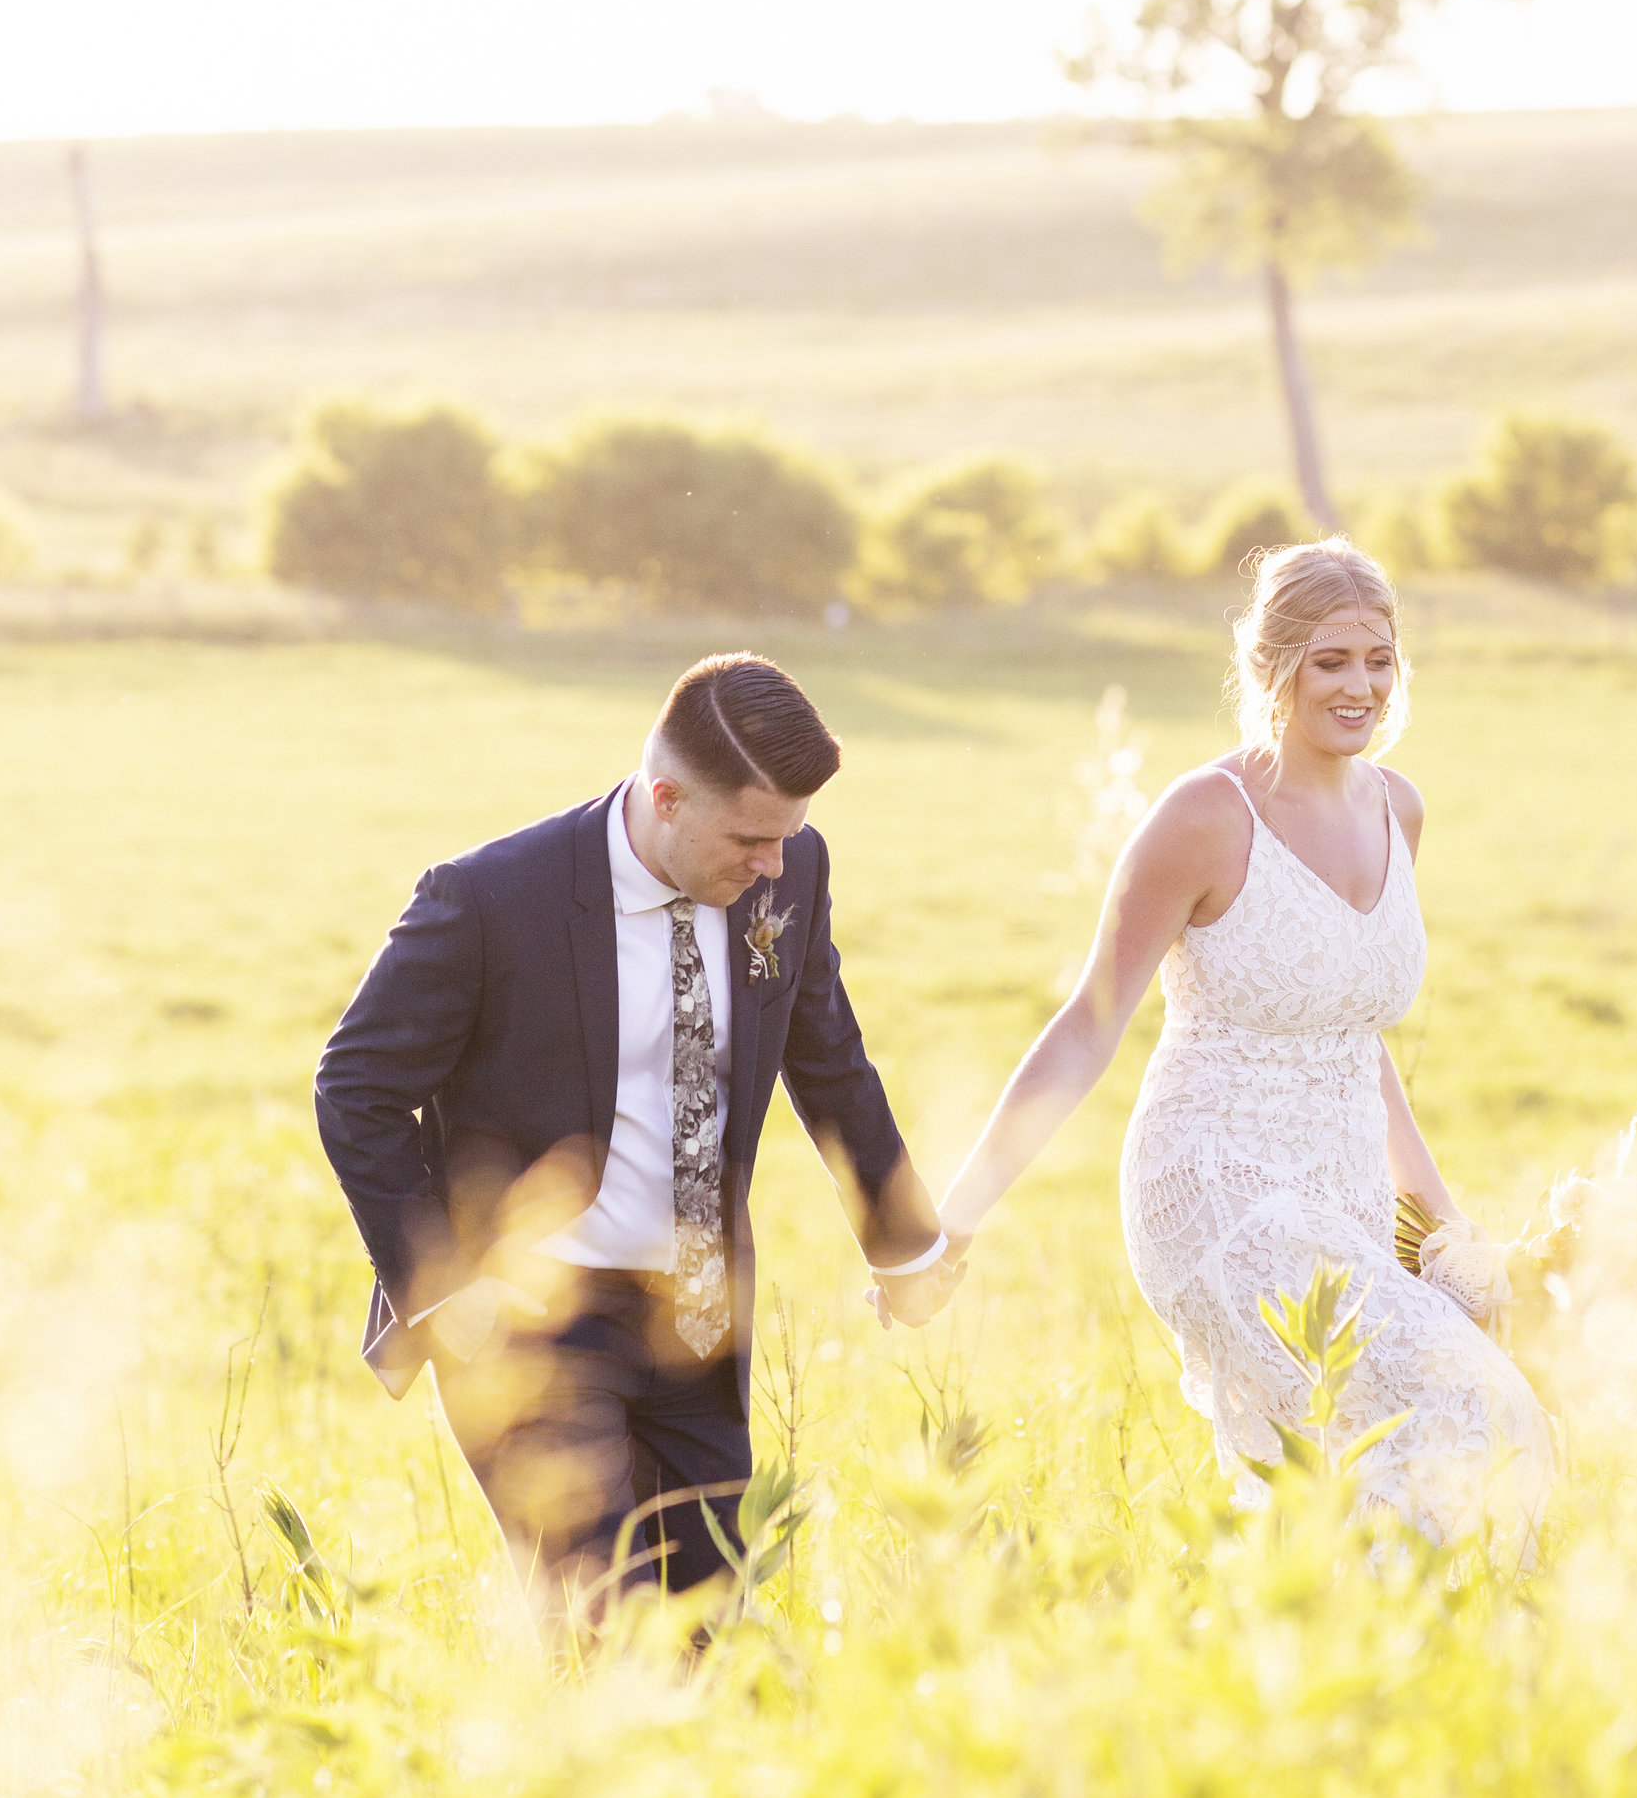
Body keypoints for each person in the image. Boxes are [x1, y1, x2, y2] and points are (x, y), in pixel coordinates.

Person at [315, 651, 962, 1612]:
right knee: (601, 1622)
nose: (773, 865)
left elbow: (826, 1057)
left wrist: (907, 1249)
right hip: (530, 1325)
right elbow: (355, 1086)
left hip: (698, 1318)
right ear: (666, 798)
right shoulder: (490, 900)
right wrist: (446, 1291)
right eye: (751, 838)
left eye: (789, 837)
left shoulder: (786, 871)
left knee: (711, 1628)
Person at [937, 540, 1550, 1553]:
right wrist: (953, 1219)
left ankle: (1357, 1680)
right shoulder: (1206, 818)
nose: (1360, 687)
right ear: (1272, 668)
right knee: (1474, 1405)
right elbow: (1088, 1023)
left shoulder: (1399, 809)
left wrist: (1448, 1235)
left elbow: (1354, 1040)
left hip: (1343, 1192)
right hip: (1216, 1184)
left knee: (1335, 1474)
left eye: (1379, 660)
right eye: (1330, 662)